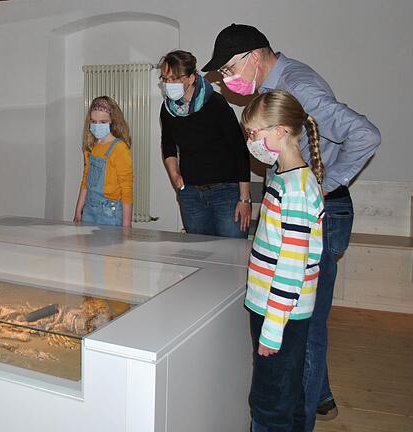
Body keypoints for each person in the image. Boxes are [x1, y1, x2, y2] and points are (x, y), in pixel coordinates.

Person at [204, 24, 381, 425]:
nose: (227, 81)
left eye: (229, 69)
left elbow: (365, 134)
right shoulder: (275, 92)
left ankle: (297, 415)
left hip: (315, 210)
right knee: (303, 327)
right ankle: (315, 397)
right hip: (297, 204)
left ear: (253, 57)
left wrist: (321, 183)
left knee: (304, 328)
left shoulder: (299, 86)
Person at [242, 90, 325, 432]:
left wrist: (273, 331)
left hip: (281, 316)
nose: (250, 141)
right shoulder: (284, 177)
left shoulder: (295, 189)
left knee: (268, 404)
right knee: (285, 394)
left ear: (280, 132)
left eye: (254, 133)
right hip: (275, 310)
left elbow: (292, 269)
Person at [158, 50, 251, 238]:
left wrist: (244, 198)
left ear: (191, 78)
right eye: (165, 79)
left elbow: (239, 150)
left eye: (174, 78)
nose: (168, 84)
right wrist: (175, 175)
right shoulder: (168, 109)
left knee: (230, 255)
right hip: (191, 194)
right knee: (199, 255)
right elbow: (168, 145)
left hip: (226, 192)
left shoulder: (215, 103)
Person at [73, 96, 134, 227]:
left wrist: (127, 224)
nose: (97, 126)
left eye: (102, 122)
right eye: (93, 121)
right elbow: (85, 181)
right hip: (89, 209)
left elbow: (126, 189)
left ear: (112, 121)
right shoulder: (90, 146)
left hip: (110, 214)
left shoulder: (119, 148)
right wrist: (78, 210)